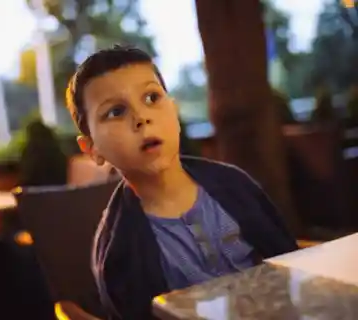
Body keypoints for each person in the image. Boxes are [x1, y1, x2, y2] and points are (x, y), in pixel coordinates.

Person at [65, 45, 298, 319]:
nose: (141, 118)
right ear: (92, 149)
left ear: (173, 111)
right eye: (116, 112)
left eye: (152, 97)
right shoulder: (119, 252)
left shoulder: (234, 185)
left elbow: (290, 265)